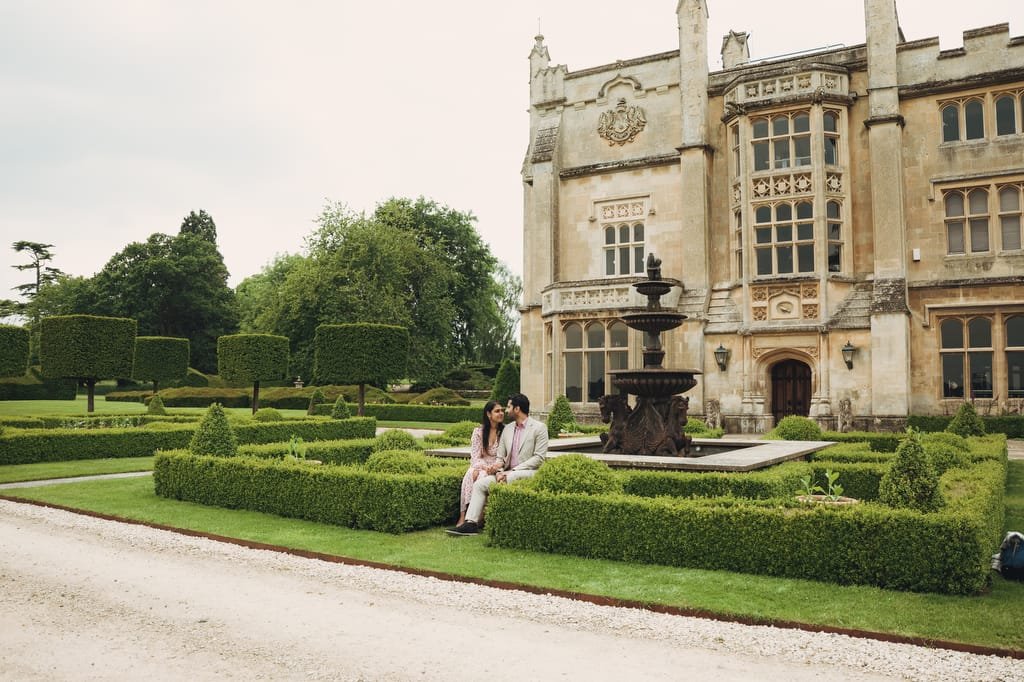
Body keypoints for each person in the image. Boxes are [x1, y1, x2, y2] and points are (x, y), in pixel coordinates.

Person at [446, 393, 549, 536]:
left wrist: (513, 471)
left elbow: (539, 458)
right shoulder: (507, 429)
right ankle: (471, 523)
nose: (506, 411)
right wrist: (498, 469)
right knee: (479, 484)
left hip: (529, 472)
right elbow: (500, 457)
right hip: (505, 473)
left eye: (508, 407)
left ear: (517, 409)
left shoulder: (539, 428)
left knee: (506, 477)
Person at [455, 400, 505, 527]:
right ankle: (463, 516)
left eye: (502, 410)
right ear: (489, 414)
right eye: (497, 411)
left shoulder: (505, 432)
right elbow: (475, 457)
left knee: (482, 477)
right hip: (481, 464)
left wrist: (494, 468)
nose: (501, 413)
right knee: (471, 473)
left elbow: (505, 456)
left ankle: (477, 517)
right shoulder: (478, 432)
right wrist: (484, 467)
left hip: (498, 467)